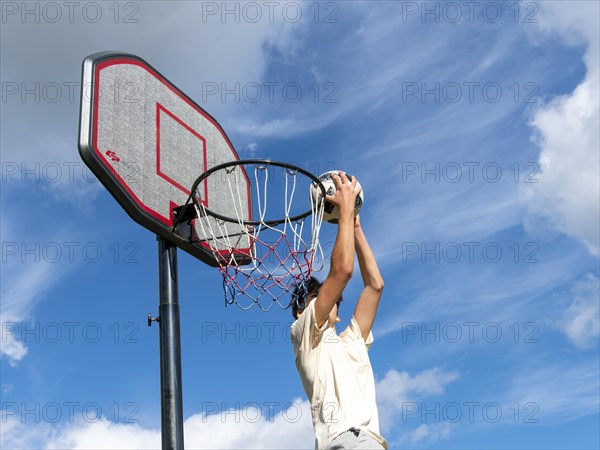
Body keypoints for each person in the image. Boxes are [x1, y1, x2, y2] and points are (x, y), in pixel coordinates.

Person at [290, 172, 387, 450]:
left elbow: (374, 286)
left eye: (334, 299)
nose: (328, 299)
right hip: (345, 441)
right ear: (300, 312)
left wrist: (355, 229)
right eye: (316, 296)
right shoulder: (305, 337)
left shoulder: (353, 342)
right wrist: (344, 211)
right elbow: (342, 270)